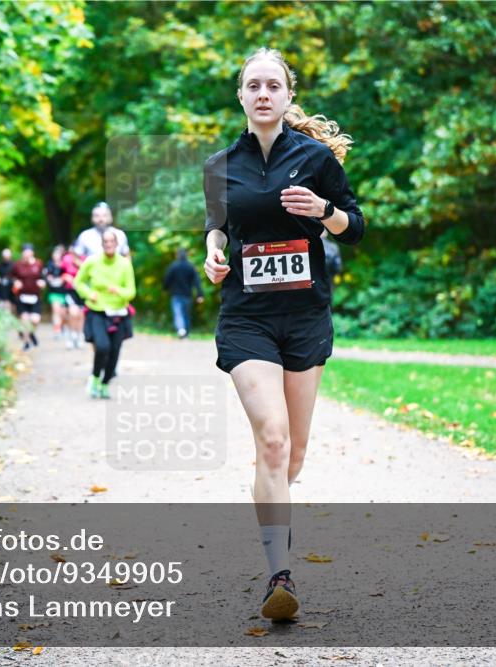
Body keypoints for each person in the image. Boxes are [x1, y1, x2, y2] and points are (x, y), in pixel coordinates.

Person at [202, 48, 365, 620]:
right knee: (271, 440)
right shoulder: (221, 164)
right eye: (254, 84)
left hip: (304, 316)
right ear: (242, 96)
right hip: (246, 315)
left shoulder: (317, 158)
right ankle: (280, 576)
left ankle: (274, 490)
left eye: (274, 84)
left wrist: (325, 211)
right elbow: (218, 229)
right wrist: (213, 257)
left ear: (288, 96)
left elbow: (356, 227)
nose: (264, 93)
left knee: (291, 455)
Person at [73, 230, 136, 399]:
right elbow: (78, 282)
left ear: (116, 244)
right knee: (102, 347)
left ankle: (105, 383)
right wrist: (89, 294)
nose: (108, 245)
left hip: (119, 314)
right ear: (102, 244)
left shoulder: (124, 264)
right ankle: (94, 377)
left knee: (115, 353)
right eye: (105, 242)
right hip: (97, 311)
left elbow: (131, 292)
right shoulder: (92, 262)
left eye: (111, 242)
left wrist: (118, 291)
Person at [162, 248, 204, 338]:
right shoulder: (191, 267)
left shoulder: (173, 266)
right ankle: (186, 333)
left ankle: (181, 330)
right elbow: (197, 281)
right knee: (186, 314)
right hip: (187, 295)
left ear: (177, 255)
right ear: (186, 255)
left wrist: (165, 289)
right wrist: (200, 294)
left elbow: (167, 279)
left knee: (178, 313)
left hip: (176, 294)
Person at [10, 243, 45, 351]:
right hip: (22, 297)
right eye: (25, 252)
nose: (27, 254)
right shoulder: (17, 265)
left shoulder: (38, 264)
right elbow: (12, 277)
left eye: (28, 252)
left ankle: (31, 333)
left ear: (32, 252)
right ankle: (26, 343)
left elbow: (43, 277)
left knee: (35, 320)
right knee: (25, 320)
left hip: (35, 296)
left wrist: (42, 282)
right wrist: (16, 283)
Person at [60, 244, 85, 350]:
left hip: (83, 291)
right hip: (70, 291)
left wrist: (79, 263)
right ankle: (71, 335)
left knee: (81, 314)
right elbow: (60, 274)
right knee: (72, 312)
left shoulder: (85, 259)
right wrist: (66, 277)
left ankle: (79, 335)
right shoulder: (66, 260)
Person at [43, 244, 69, 340]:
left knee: (63, 313)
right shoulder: (49, 265)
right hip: (53, 292)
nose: (56, 256)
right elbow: (45, 276)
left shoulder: (65, 265)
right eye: (55, 254)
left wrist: (64, 279)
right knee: (56, 310)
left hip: (64, 292)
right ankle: (57, 330)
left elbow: (69, 274)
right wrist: (49, 279)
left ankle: (62, 327)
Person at [321, 229, 342, 299]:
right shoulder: (333, 247)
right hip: (327, 283)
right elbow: (337, 268)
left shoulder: (303, 246)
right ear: (325, 233)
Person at [0, 248, 16, 313]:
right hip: (1, 290)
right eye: (5, 256)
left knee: (10, 307)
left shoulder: (14, 265)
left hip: (11, 290)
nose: (6, 258)